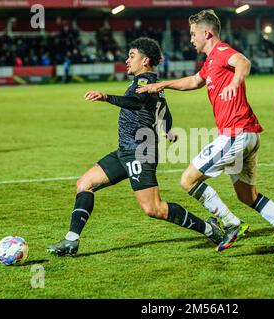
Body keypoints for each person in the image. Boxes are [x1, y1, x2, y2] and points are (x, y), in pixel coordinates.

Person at [137, 10, 274, 252]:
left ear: (207, 33)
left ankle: (231, 223)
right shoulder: (210, 62)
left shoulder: (222, 52)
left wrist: (235, 83)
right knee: (247, 197)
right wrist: (162, 84)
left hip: (235, 135)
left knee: (188, 180)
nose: (191, 39)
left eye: (193, 34)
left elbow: (243, 62)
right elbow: (195, 81)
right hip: (248, 136)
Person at [46, 37, 224, 256]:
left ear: (145, 60)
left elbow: (136, 102)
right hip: (126, 150)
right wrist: (167, 128)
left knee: (154, 208)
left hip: (141, 151)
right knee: (85, 183)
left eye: (131, 56)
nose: (127, 60)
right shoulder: (150, 83)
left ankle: (209, 229)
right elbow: (163, 109)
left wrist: (106, 97)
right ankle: (71, 240)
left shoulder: (143, 82)